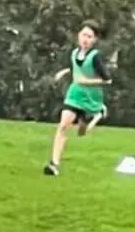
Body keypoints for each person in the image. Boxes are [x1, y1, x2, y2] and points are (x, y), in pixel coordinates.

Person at [44, 25, 111, 175]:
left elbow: (107, 80)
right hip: (75, 94)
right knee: (63, 126)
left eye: (89, 37)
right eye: (84, 35)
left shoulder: (95, 57)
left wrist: (86, 82)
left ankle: (98, 111)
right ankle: (54, 164)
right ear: (78, 36)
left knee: (82, 132)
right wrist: (64, 72)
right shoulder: (74, 53)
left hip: (90, 97)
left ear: (94, 40)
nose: (85, 39)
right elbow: (76, 67)